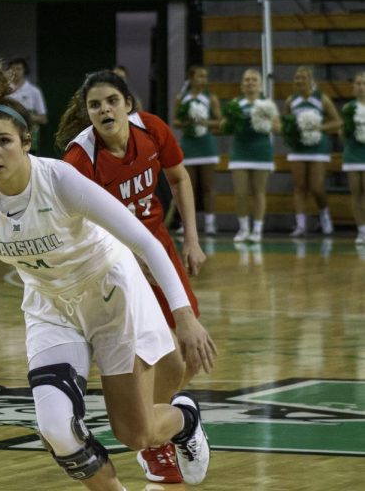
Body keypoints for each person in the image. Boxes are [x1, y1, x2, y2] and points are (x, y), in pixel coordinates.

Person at [0, 62, 216, 489]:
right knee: (56, 428)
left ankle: (184, 420)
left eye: (4, 142)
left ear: (26, 143)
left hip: (111, 293)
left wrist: (185, 317)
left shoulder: (60, 179)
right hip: (51, 305)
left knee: (135, 434)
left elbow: (146, 242)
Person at [57, 70, 207, 485]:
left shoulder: (152, 129)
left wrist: (191, 239)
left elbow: (178, 178)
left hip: (157, 251)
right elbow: (78, 226)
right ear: (87, 113)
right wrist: (122, 260)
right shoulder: (79, 160)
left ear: (128, 104)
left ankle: (159, 425)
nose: (104, 109)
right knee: (158, 357)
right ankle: (156, 439)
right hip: (113, 267)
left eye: (111, 101)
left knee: (188, 352)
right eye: (94, 105)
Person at [282, 65, 342, 236]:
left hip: (318, 148)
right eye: (297, 77)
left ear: (311, 80)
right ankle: (301, 225)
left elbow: (337, 122)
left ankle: (324, 215)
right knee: (299, 186)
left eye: (303, 77)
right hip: (297, 148)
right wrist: (291, 131)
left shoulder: (322, 99)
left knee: (316, 187)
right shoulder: (290, 101)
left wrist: (318, 127)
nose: (300, 80)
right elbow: (285, 123)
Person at [222, 69, 281, 243]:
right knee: (240, 193)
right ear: (241, 84)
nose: (250, 83)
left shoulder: (267, 103)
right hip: (240, 152)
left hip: (261, 152)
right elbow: (224, 126)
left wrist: (265, 121)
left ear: (260, 84)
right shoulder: (235, 103)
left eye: (254, 80)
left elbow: (278, 128)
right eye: (246, 80)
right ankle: (243, 229)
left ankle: (257, 230)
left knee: (259, 192)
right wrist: (230, 119)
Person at [173, 65, 222, 236]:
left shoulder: (211, 98)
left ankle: (210, 224)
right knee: (188, 187)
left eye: (205, 76)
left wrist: (203, 122)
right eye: (200, 76)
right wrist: (189, 122)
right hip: (189, 146)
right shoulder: (182, 98)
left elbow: (219, 122)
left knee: (208, 187)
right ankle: (186, 224)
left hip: (206, 146)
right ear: (191, 78)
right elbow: (176, 121)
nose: (203, 80)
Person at [341, 71, 365, 245]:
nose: (361, 87)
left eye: (364, 83)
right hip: (352, 155)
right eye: (358, 83)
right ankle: (361, 230)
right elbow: (342, 135)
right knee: (356, 193)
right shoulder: (348, 108)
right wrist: (344, 131)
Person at [6, 56, 48, 152]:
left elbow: (43, 119)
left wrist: (24, 116)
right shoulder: (4, 91)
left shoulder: (34, 91)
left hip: (27, 136)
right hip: (8, 134)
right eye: (12, 69)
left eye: (18, 69)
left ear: (24, 70)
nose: (15, 72)